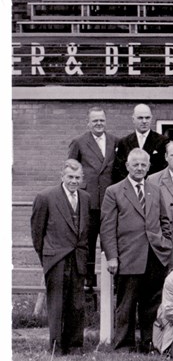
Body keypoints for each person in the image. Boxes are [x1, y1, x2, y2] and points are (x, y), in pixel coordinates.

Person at [101, 148, 173, 352]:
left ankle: (149, 342)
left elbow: (165, 220)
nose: (140, 168)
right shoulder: (114, 191)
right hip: (128, 256)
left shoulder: (155, 190)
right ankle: (124, 344)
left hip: (155, 255)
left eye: (143, 164)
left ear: (149, 166)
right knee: (127, 303)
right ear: (127, 166)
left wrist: (165, 244)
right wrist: (112, 257)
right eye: (136, 164)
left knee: (151, 303)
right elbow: (107, 227)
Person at [30, 160, 92, 354]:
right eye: (70, 177)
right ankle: (56, 345)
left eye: (77, 178)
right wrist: (47, 256)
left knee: (77, 303)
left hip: (78, 257)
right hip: (56, 258)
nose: (74, 181)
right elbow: (37, 232)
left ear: (82, 179)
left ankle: (74, 345)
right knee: (57, 303)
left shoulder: (85, 198)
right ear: (62, 177)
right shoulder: (46, 197)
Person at [67, 106, 117, 289]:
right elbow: (71, 167)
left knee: (110, 244)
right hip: (88, 203)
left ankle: (112, 285)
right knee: (87, 245)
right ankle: (88, 285)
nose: (99, 123)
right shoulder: (79, 142)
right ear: (88, 123)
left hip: (110, 203)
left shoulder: (114, 141)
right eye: (95, 120)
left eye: (101, 120)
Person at [112, 103, 168, 182]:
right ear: (133, 119)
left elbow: (165, 169)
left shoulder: (163, 141)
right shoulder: (124, 142)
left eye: (147, 118)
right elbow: (119, 170)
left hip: (154, 187)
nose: (144, 121)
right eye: (140, 118)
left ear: (151, 118)